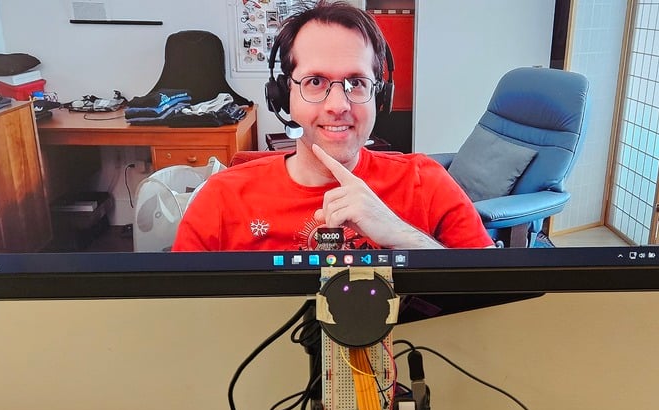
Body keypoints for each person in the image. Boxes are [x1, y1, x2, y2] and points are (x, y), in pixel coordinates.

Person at [172, 1, 493, 252]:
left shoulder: (427, 183)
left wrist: (404, 236)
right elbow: (179, 310)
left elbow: (498, 296)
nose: (338, 105)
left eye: (356, 82)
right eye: (315, 81)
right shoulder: (221, 199)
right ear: (283, 95)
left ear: (380, 96)